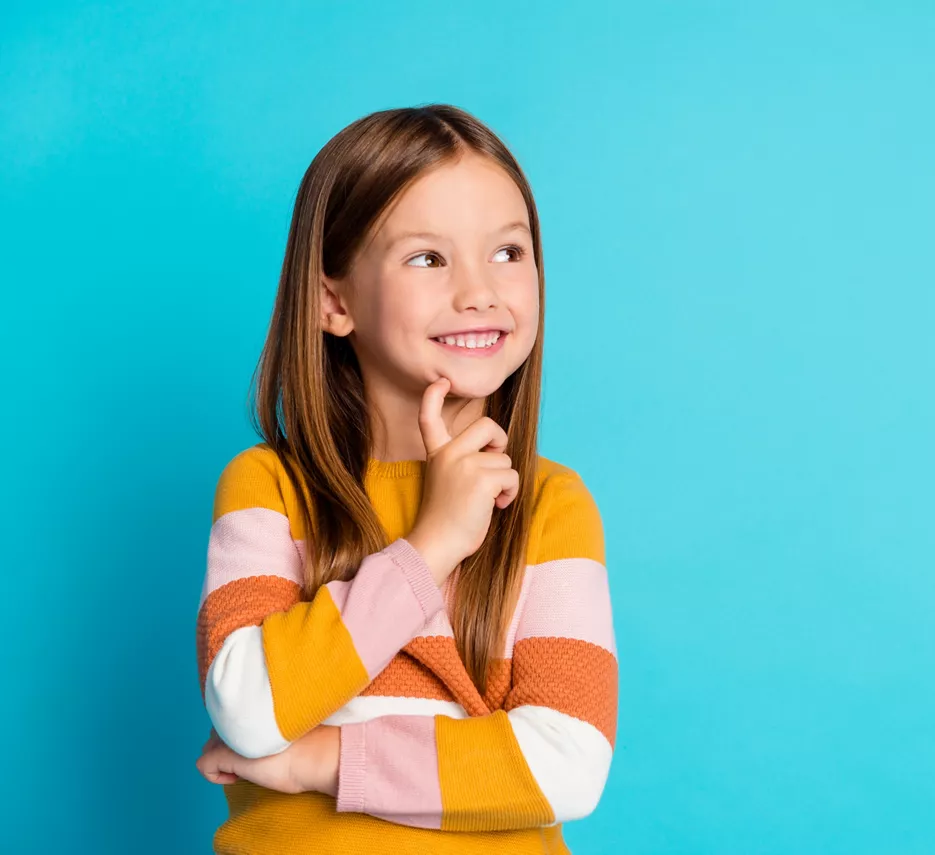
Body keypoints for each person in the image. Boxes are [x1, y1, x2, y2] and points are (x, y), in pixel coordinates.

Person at [193, 104, 617, 855]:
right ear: (334, 302)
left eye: (508, 252)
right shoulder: (268, 488)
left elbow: (566, 765)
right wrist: (429, 548)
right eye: (429, 258)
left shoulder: (552, 505)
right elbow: (249, 707)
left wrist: (319, 760)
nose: (480, 291)